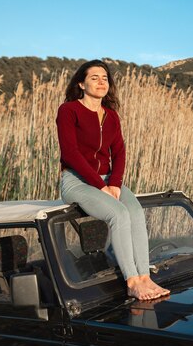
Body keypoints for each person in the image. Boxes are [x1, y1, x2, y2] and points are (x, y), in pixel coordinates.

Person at [56, 59, 169, 300]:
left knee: (136, 213)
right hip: (76, 181)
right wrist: (100, 185)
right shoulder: (68, 110)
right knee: (118, 214)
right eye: (94, 77)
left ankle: (145, 277)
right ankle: (132, 281)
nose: (101, 81)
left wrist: (115, 183)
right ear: (81, 84)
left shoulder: (111, 116)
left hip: (108, 180)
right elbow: (70, 153)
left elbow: (119, 152)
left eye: (105, 78)